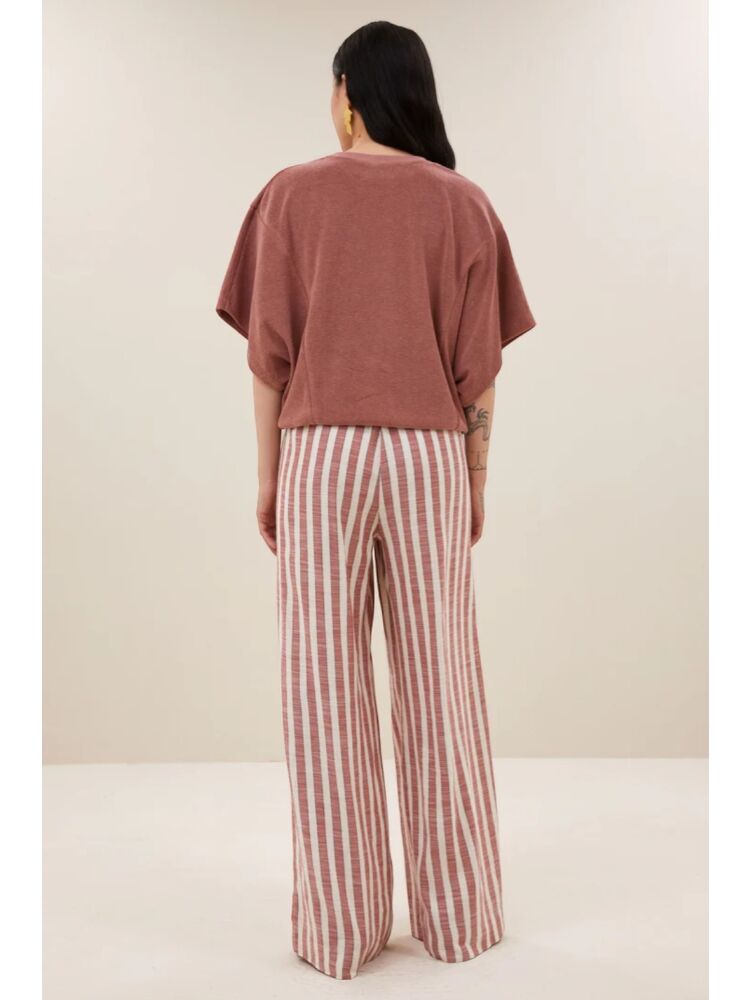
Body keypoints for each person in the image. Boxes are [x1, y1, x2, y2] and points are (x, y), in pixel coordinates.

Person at [215, 20, 536, 981]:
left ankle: (340, 926)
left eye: (333, 88)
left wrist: (269, 475)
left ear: (349, 94)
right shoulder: (463, 204)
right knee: (442, 676)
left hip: (321, 452)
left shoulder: (289, 194)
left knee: (321, 684)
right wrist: (474, 480)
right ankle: (460, 917)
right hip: (430, 453)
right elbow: (480, 370)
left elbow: (268, 356)